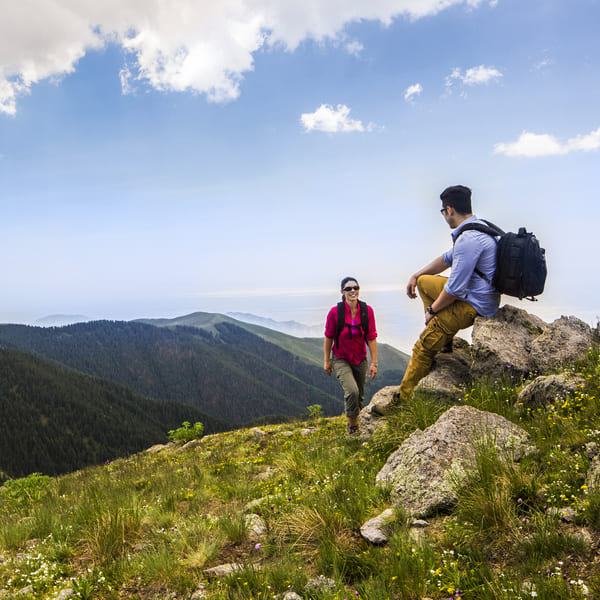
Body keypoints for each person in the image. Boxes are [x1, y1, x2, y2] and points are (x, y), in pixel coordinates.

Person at [398, 185, 500, 401]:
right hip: (477, 296)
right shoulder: (478, 229)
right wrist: (416, 275)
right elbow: (445, 260)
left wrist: (432, 311)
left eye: (443, 211)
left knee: (422, 348)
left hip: (472, 306)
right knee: (425, 282)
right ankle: (444, 340)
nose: (444, 216)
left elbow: (454, 290)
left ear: (449, 210)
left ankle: (403, 401)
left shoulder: (468, 240)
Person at [324, 277, 378, 435]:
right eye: (348, 288)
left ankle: (358, 422)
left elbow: (371, 337)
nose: (352, 290)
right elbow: (328, 337)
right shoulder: (335, 312)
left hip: (360, 358)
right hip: (340, 358)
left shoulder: (367, 311)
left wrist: (374, 362)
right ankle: (353, 428)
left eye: (355, 287)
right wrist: (327, 361)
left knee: (359, 395)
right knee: (352, 392)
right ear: (342, 292)